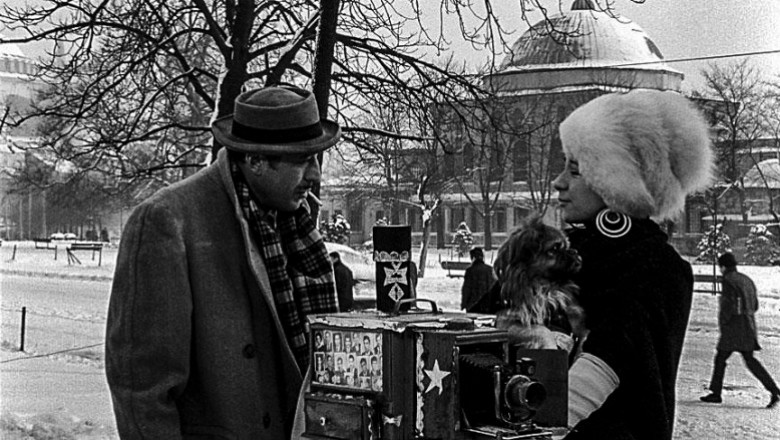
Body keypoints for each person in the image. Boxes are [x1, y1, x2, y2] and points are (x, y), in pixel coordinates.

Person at [105, 85, 341, 439]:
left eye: (316, 158)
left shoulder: (295, 227)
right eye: (302, 160)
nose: (315, 176)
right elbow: (142, 389)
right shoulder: (167, 220)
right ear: (256, 160)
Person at [552, 90, 714, 439]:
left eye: (576, 170)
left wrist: (540, 421)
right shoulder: (562, 255)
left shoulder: (654, 266)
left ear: (616, 183)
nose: (559, 181)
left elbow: (612, 355)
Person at [700, 252, 780, 408]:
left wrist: (724, 321)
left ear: (723, 266)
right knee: (749, 360)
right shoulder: (746, 280)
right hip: (748, 325)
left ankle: (716, 393)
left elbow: (728, 306)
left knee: (721, 358)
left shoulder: (729, 280)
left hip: (734, 327)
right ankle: (774, 390)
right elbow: (755, 305)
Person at [461, 247, 497, 312]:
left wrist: (464, 304)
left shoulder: (470, 271)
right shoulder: (490, 270)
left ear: (473, 258)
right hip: (488, 306)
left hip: (473, 306)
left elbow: (466, 289)